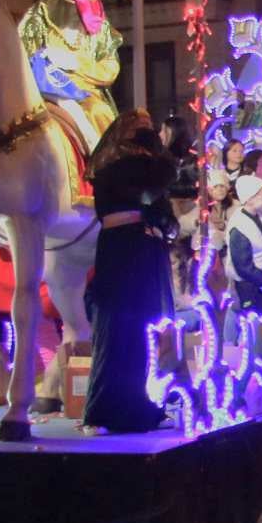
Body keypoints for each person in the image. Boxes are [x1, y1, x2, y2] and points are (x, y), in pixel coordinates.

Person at [82, 111, 178, 434]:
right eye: (144, 128)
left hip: (134, 247)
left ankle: (143, 406)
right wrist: (159, 150)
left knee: (142, 330)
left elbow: (157, 204)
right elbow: (160, 180)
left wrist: (165, 225)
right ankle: (115, 409)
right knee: (122, 328)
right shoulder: (128, 166)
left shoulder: (116, 164)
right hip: (128, 250)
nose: (148, 132)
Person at [224, 171, 262, 319]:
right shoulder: (239, 227)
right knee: (254, 324)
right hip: (250, 284)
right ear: (249, 199)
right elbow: (243, 266)